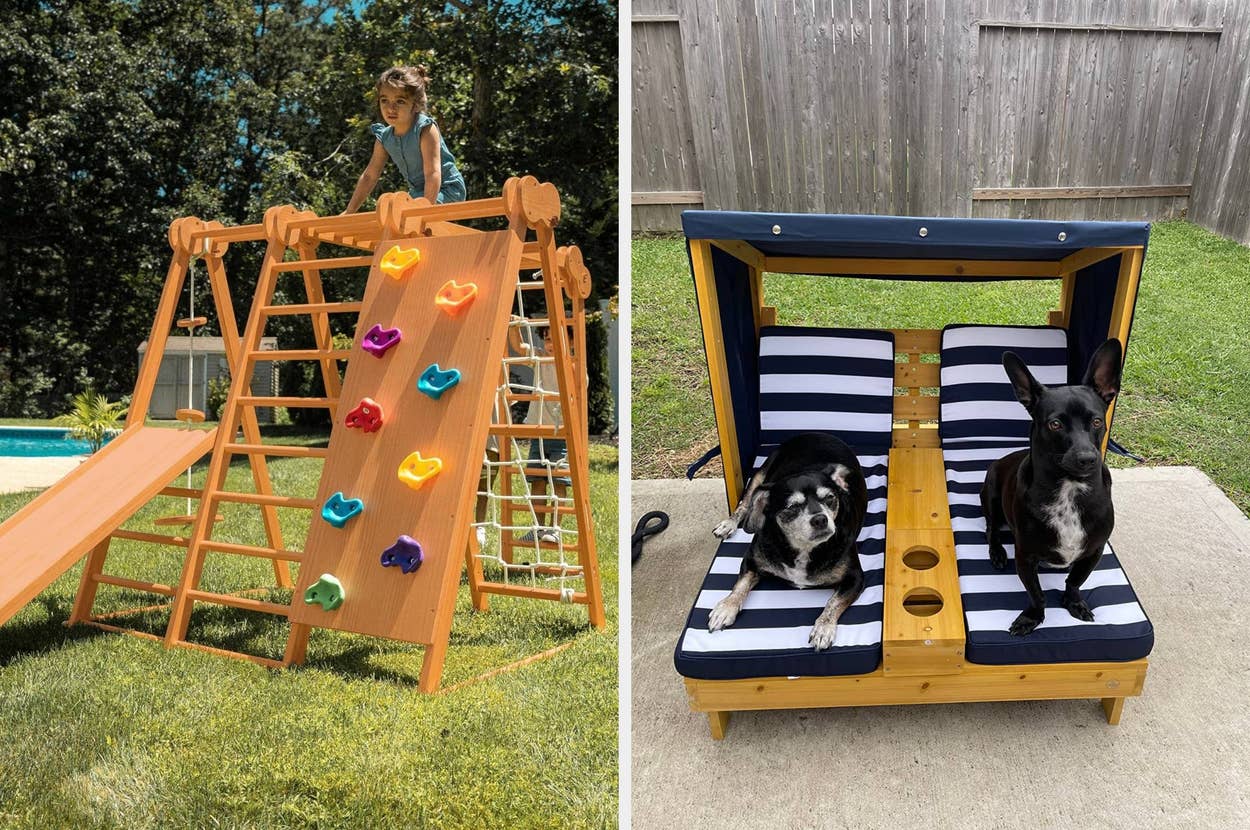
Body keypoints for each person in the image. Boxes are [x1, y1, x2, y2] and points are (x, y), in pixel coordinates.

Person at [343, 65, 467, 212]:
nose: (390, 109)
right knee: (390, 212)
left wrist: (425, 212)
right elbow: (370, 175)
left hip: (447, 190)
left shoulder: (425, 129)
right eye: (384, 100)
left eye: (400, 101)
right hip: (418, 195)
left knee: (400, 213)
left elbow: (432, 173)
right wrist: (349, 211)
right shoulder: (385, 137)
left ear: (415, 105)